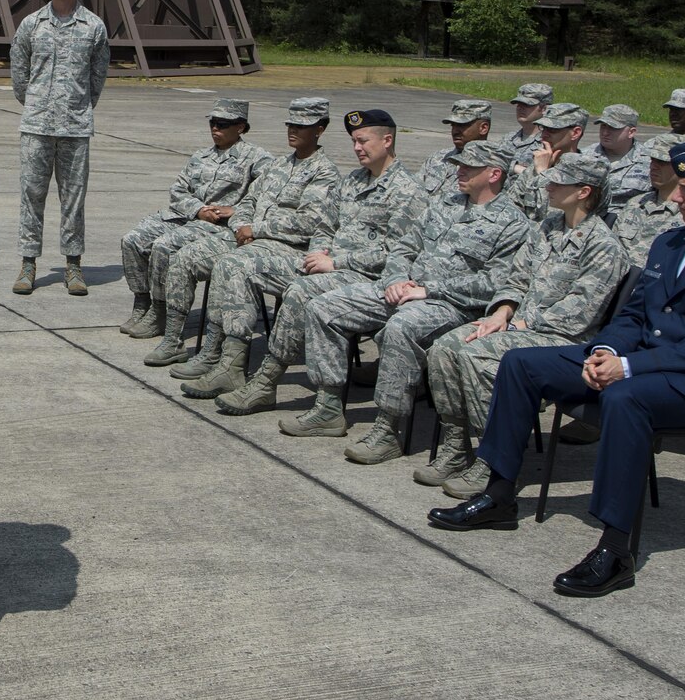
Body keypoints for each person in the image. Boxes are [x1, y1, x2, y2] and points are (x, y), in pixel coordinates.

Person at [427, 136, 685, 598]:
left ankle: (616, 548)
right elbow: (634, 316)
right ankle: (499, 495)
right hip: (638, 366)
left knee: (624, 396)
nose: (675, 197)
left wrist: (628, 367)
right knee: (521, 364)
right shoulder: (671, 244)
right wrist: (607, 353)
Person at [290, 139, 533, 458]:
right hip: (403, 289)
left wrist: (428, 290)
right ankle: (328, 406)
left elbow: (494, 283)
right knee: (324, 308)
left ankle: (388, 428)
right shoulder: (446, 203)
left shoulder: (513, 223)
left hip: (450, 305)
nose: (458, 171)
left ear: (494, 174)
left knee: (401, 329)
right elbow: (404, 247)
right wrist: (395, 279)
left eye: (469, 167)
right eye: (459, 164)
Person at [418, 152, 629, 495]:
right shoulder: (547, 228)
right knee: (444, 347)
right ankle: (456, 446)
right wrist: (502, 312)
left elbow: (580, 313)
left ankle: (495, 461)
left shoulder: (603, 246)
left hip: (563, 340)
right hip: (522, 327)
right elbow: (515, 278)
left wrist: (522, 323)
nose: (549, 186)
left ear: (583, 192)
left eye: (559, 182)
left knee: (476, 355)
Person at [213, 110, 423, 416]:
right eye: (354, 141)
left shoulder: (408, 191)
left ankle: (266, 383)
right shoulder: (352, 181)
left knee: (300, 291)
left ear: (387, 140)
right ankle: (227, 360)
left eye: (363, 141)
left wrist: (336, 261)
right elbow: (325, 225)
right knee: (244, 265)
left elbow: (398, 254)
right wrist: (319, 253)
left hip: (369, 278)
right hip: (327, 267)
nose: (357, 148)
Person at [151, 98, 336, 373]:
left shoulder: (324, 172)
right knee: (184, 258)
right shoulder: (279, 165)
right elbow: (248, 202)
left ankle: (213, 350)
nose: (292, 131)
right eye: (290, 124)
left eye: (301, 126)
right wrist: (241, 227)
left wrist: (256, 230)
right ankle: (173, 339)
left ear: (320, 129)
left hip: (288, 246)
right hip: (249, 236)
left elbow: (308, 223)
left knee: (227, 266)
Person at [121, 99, 273, 340]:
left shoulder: (258, 159)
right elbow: (177, 191)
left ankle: (160, 311)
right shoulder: (201, 156)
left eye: (223, 124)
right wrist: (198, 208)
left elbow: (266, 197)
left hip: (218, 226)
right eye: (213, 123)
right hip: (188, 215)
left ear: (241, 127)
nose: (215, 129)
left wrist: (232, 210)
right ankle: (142, 302)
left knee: (164, 246)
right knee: (132, 240)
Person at [10, 0, 109, 297]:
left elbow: (97, 78)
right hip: (36, 125)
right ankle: (27, 264)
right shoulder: (31, 25)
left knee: (73, 199)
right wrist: (37, 104)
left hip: (76, 127)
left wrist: (76, 106)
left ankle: (73, 265)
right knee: (31, 196)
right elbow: (19, 73)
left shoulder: (94, 26)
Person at [509, 102, 590, 218]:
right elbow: (510, 206)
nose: (544, 135)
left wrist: (543, 174)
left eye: (552, 130)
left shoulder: (586, 173)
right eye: (543, 128)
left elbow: (553, 218)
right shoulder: (536, 167)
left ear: (575, 133)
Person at [612, 136, 683, 257]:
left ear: (681, 166)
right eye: (652, 160)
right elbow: (612, 247)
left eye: (662, 162)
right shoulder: (636, 203)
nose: (653, 166)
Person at [418, 99, 491, 200]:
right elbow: (415, 191)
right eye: (453, 125)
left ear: (483, 128)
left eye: (462, 125)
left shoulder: (491, 166)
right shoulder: (438, 158)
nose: (455, 131)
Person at [589, 104, 647, 213]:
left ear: (631, 132)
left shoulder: (649, 161)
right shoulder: (584, 156)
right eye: (603, 126)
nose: (605, 133)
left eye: (613, 128)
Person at [502, 83, 552, 164]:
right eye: (518, 104)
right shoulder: (509, 138)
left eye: (527, 104)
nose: (520, 108)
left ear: (544, 109)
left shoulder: (548, 142)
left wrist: (510, 167)